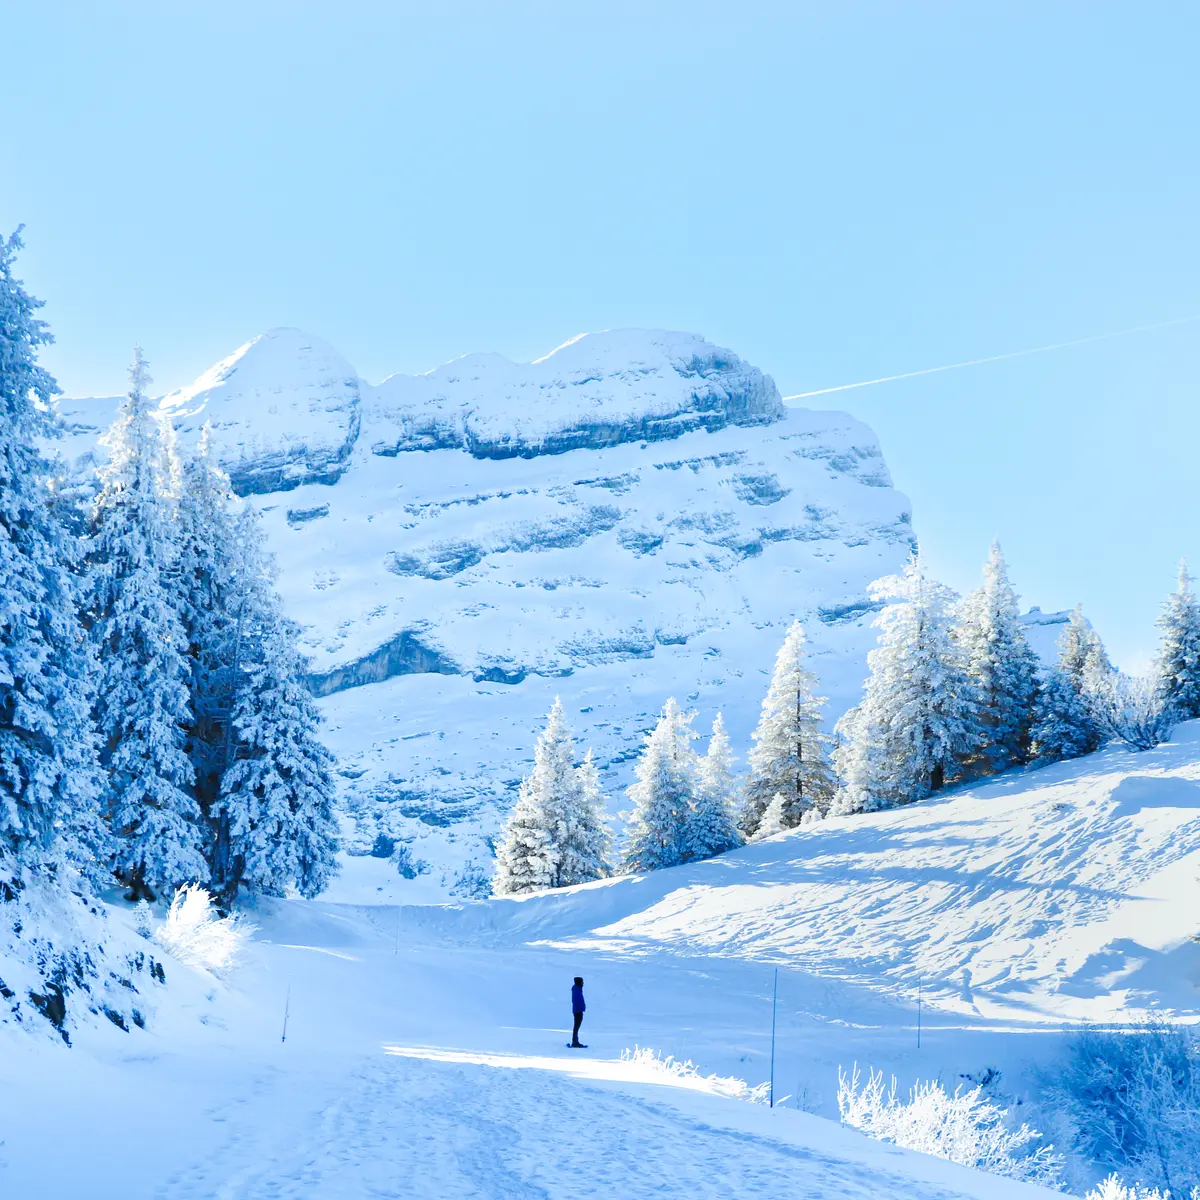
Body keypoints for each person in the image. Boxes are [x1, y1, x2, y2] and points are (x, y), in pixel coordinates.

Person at [570, 976, 586, 1047]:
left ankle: (575, 1041)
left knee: (576, 1026)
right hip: (577, 1010)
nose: (583, 983)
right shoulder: (576, 990)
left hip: (578, 1010)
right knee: (576, 1026)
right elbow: (576, 1000)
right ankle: (575, 1042)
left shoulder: (577, 989)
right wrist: (581, 1007)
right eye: (582, 982)